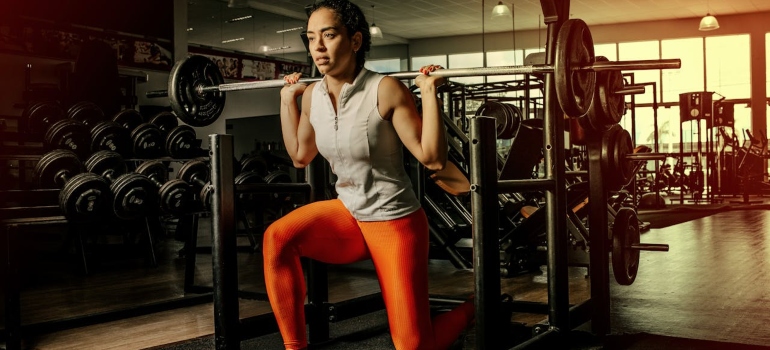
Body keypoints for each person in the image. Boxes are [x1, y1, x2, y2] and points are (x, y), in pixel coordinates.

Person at [263, 0, 475, 349]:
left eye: (328, 35)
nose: (317, 46)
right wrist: (288, 101)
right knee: (277, 238)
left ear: (356, 41)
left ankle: (471, 311)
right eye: (311, 37)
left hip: (395, 222)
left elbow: (433, 160)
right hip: (348, 215)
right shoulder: (312, 95)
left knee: (413, 346)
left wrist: (429, 91)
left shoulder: (386, 89)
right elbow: (301, 155)